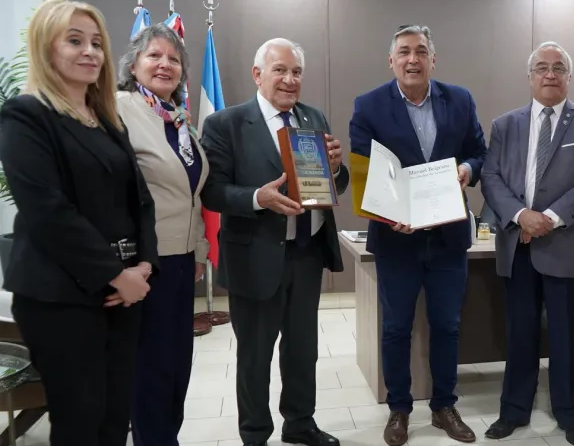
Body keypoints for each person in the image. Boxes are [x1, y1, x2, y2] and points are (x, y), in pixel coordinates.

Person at [0, 0, 159, 446]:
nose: (90, 51)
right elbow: (48, 211)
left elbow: (140, 199)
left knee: (114, 418)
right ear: (45, 47)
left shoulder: (105, 117)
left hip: (124, 292)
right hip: (61, 298)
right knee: (79, 423)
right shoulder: (26, 114)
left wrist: (145, 264)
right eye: (74, 41)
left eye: (96, 43)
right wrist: (114, 275)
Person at [200, 38, 349, 446]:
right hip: (255, 257)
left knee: (302, 350)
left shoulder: (313, 116)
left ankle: (300, 424)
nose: (289, 79)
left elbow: (334, 184)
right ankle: (254, 433)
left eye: (296, 72)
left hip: (306, 253)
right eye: (280, 70)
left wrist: (336, 169)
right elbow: (212, 191)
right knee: (255, 354)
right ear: (257, 74)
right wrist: (256, 198)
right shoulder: (226, 123)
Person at [349, 25, 487, 446]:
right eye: (405, 52)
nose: (413, 59)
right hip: (396, 239)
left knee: (447, 325)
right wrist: (389, 212)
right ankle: (399, 409)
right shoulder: (369, 105)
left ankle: (444, 405)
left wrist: (467, 170)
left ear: (433, 59)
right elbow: (364, 169)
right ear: (391, 61)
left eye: (421, 51)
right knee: (396, 328)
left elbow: (479, 152)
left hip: (448, 238)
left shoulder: (460, 100)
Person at [480, 41, 574, 446]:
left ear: (569, 77)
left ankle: (570, 415)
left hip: (566, 244)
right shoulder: (505, 125)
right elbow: (491, 178)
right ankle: (513, 412)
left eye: (558, 68)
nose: (550, 74)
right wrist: (521, 215)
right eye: (542, 67)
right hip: (517, 246)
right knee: (519, 334)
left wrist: (549, 219)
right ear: (530, 77)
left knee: (566, 336)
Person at [115, 23, 210, 446]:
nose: (164, 65)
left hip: (182, 260)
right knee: (150, 371)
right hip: (145, 262)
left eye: (174, 59)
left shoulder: (176, 118)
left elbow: (192, 193)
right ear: (133, 64)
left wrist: (200, 249)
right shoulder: (119, 108)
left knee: (176, 367)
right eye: (154, 55)